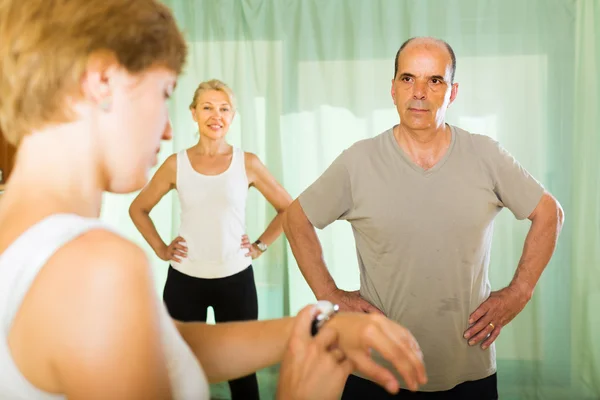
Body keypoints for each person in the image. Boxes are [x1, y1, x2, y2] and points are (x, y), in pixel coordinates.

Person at [0, 1, 430, 398]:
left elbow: (169, 345)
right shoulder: (100, 266)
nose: (168, 128)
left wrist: (313, 329)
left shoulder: (25, 236)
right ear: (102, 81)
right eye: (164, 92)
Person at [283, 36, 565, 400]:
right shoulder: (358, 161)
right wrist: (328, 292)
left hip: (469, 371)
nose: (419, 92)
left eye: (435, 80)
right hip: (377, 372)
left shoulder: (486, 155)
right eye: (407, 78)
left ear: (452, 91)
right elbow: (296, 219)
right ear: (393, 89)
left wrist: (519, 292)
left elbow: (549, 213)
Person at [129, 78, 291, 399]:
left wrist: (260, 245)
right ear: (193, 113)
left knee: (242, 376)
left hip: (236, 281)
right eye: (207, 107)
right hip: (184, 282)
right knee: (179, 373)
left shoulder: (249, 163)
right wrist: (162, 249)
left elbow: (288, 209)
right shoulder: (176, 164)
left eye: (224, 109)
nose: (216, 115)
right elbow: (139, 209)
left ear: (232, 116)